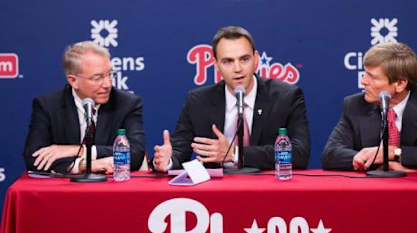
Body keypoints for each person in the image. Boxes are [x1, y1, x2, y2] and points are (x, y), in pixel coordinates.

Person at [152, 26, 310, 171]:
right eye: (228, 61)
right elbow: (180, 149)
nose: (237, 68)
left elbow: (299, 154)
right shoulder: (198, 101)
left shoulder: (286, 97)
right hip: (216, 192)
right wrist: (167, 160)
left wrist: (234, 153)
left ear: (256, 59)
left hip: (268, 188)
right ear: (216, 64)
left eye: (244, 59)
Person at [321, 42, 417, 172]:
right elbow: (330, 155)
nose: (363, 81)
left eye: (372, 77)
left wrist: (393, 153)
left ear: (400, 84)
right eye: (365, 73)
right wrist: (376, 160)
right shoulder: (355, 105)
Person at [23, 41, 146, 174]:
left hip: (110, 188)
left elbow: (135, 154)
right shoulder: (48, 105)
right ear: (73, 81)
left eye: (110, 74)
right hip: (66, 190)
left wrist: (79, 150)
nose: (108, 84)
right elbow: (34, 158)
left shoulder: (127, 103)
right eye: (97, 78)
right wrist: (82, 166)